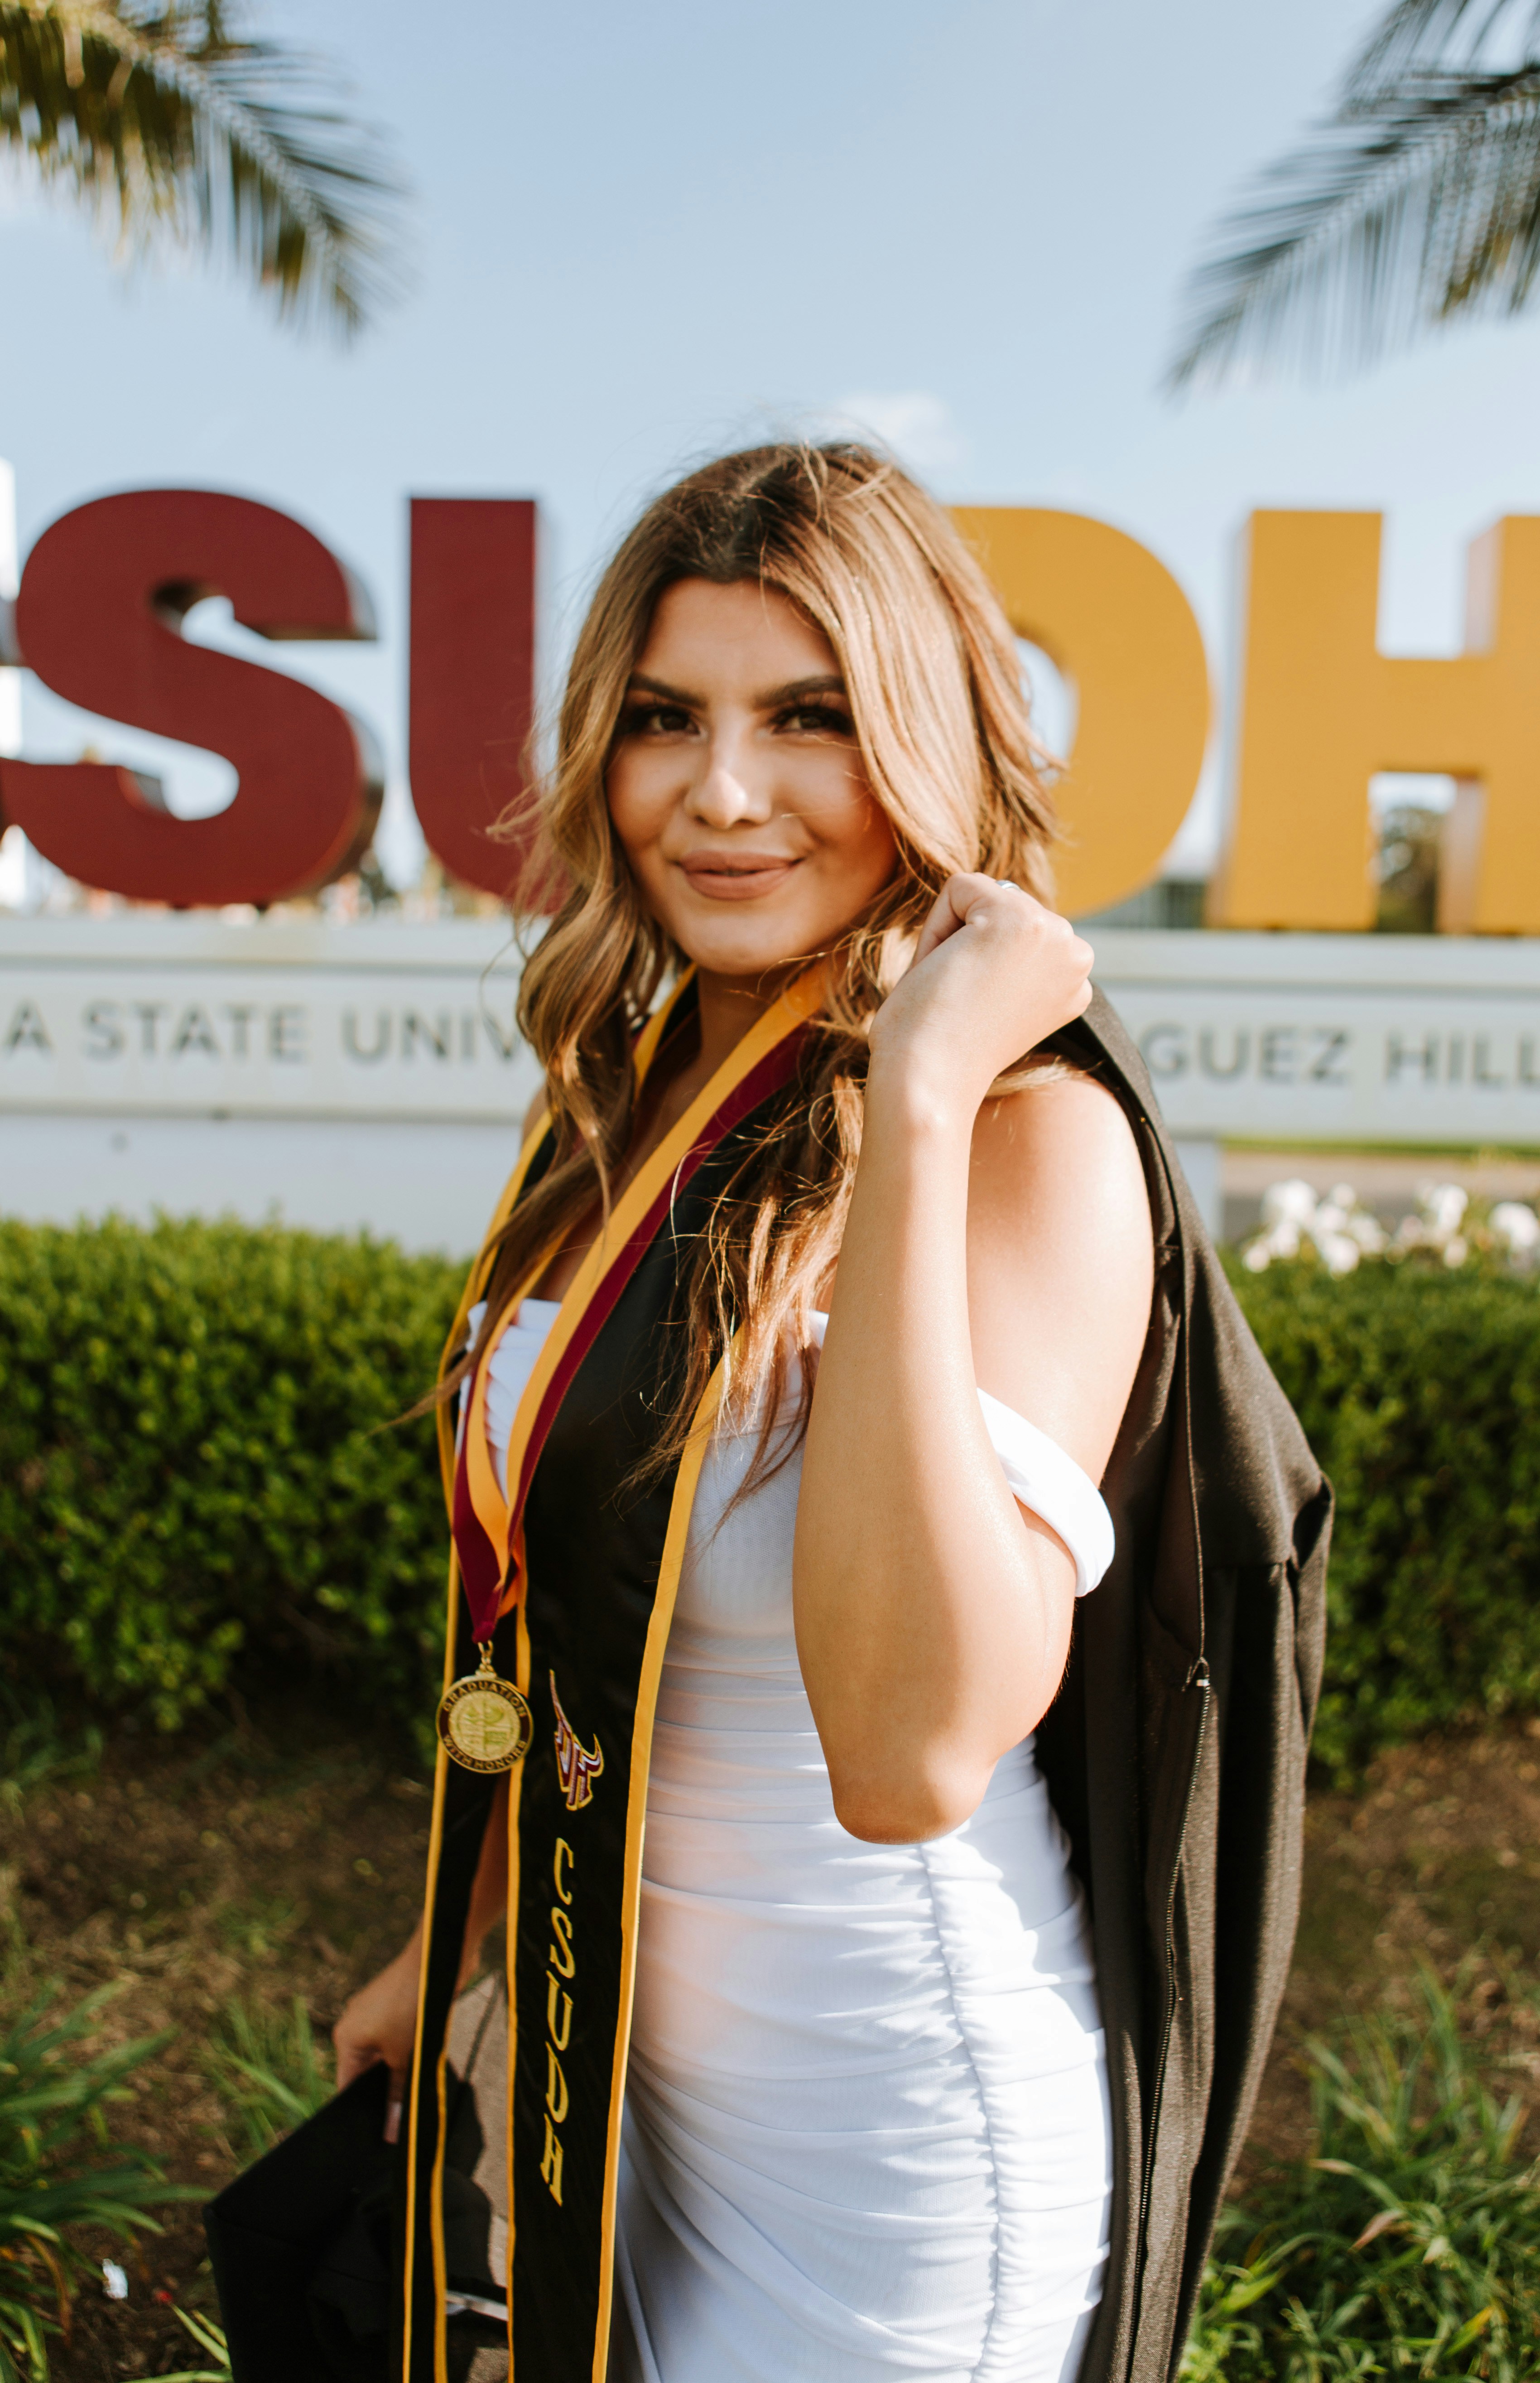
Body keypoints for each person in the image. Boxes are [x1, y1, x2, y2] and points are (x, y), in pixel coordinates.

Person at [325, 442, 1328, 2383]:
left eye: (809, 717)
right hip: (626, 2081)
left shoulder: (1032, 1141)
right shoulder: (620, 1111)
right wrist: (455, 1945)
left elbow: (908, 1752)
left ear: (928, 743)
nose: (722, 791)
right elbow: (572, 1599)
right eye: (664, 719)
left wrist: (922, 1097)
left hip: (891, 2154)